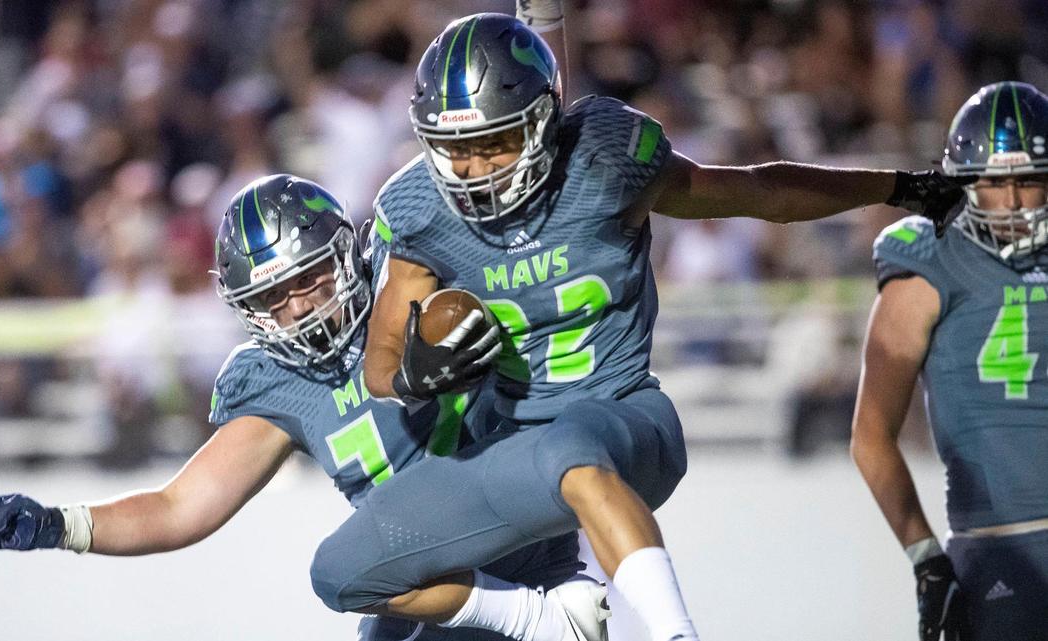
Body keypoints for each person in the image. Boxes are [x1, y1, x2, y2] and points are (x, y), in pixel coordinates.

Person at [307, 10, 973, 641]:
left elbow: (760, 192)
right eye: (457, 149)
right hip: (513, 450)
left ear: (540, 123)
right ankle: (546, 619)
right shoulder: (421, 211)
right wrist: (414, 374)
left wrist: (897, 186)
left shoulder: (603, 163)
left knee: (571, 451)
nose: (474, 169)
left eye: (494, 143)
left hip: (623, 420)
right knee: (343, 569)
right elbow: (380, 365)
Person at [0, 174, 609, 641]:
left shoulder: (412, 278)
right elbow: (180, 506)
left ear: (345, 253)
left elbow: (528, 232)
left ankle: (549, 619)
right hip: (431, 588)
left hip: (522, 549)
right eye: (274, 297)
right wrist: (59, 524)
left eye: (308, 277)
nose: (299, 306)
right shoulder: (273, 380)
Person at [851, 81, 1048, 641]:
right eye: (995, 182)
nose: (1013, 202)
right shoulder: (928, 260)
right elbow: (871, 436)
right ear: (962, 182)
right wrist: (926, 559)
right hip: (1001, 554)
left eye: (1029, 181)